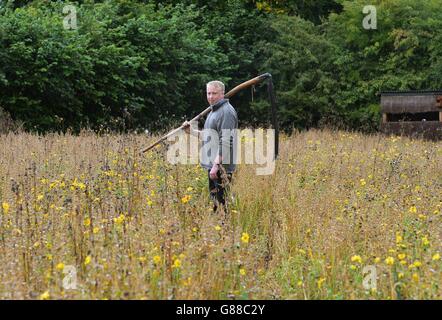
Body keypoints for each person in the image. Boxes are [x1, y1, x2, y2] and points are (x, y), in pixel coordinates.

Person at [183, 80, 238, 212]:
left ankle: (226, 231)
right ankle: (219, 230)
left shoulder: (226, 112)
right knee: (216, 205)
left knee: (222, 206)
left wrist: (216, 165)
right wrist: (191, 131)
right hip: (214, 168)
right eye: (208, 93)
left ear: (222, 93)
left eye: (214, 93)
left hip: (221, 169)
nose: (210, 97)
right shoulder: (214, 111)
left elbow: (225, 141)